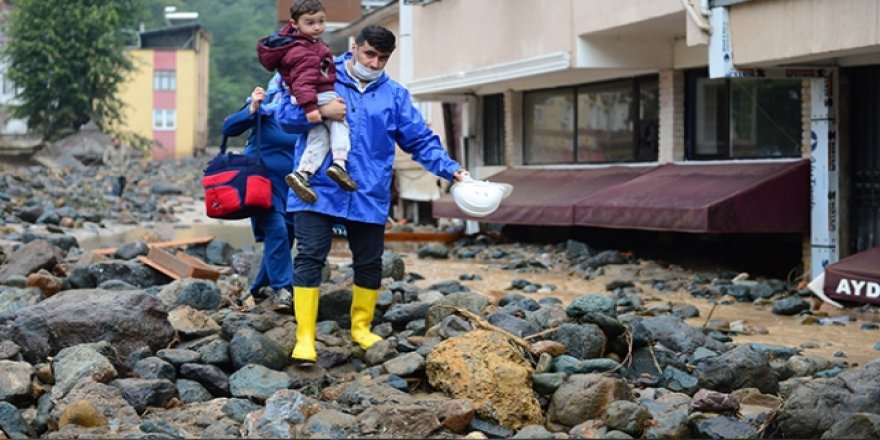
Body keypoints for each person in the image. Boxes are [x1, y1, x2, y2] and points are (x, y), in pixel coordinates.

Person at [276, 24, 471, 365]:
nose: (376, 63)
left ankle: (361, 328)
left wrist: (453, 171)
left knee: (369, 261)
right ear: (354, 47)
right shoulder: (321, 73)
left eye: (383, 58)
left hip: (368, 189)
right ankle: (305, 336)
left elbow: (420, 140)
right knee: (309, 257)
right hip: (316, 186)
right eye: (370, 54)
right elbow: (283, 116)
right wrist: (321, 112)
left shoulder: (395, 95)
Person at [221, 73, 346, 309]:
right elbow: (229, 127)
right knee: (276, 231)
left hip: (291, 185)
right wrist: (253, 107)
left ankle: (258, 288)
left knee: (284, 238)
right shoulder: (266, 105)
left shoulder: (310, 113)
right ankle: (284, 290)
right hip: (260, 185)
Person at [257, 0, 356, 204]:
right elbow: (302, 82)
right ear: (295, 24)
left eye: (321, 21)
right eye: (310, 23)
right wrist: (311, 107)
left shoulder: (307, 45)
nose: (317, 27)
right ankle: (339, 163)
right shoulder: (304, 51)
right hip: (317, 94)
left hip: (311, 95)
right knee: (340, 123)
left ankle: (303, 173)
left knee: (319, 136)